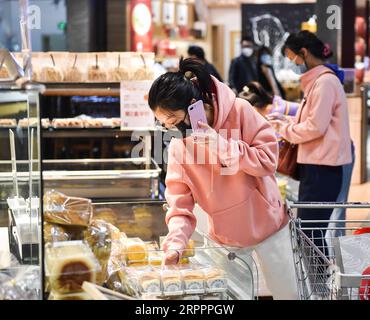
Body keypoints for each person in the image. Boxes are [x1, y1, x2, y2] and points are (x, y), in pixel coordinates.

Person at [148, 57, 299, 300]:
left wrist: (220, 144)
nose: (173, 130)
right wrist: (176, 244)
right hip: (226, 240)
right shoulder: (178, 146)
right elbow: (179, 205)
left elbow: (267, 161)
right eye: (166, 125)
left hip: (270, 227)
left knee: (289, 295)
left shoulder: (240, 110)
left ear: (193, 105)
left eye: (174, 121)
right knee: (230, 299)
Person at [269, 31, 353, 253]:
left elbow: (316, 127)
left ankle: (321, 285)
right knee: (309, 231)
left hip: (322, 167)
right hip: (317, 165)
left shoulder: (324, 82)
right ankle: (320, 284)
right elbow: (314, 121)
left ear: (303, 53)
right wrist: (285, 121)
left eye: (292, 58)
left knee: (309, 232)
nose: (293, 64)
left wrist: (284, 129)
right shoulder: (319, 82)